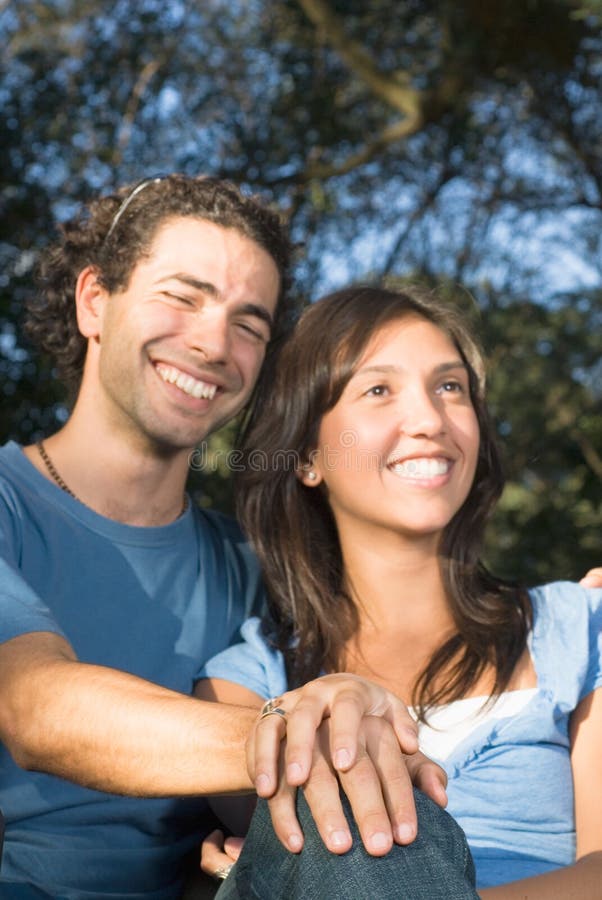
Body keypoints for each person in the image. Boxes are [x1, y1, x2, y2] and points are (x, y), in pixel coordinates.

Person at [0, 179, 446, 899]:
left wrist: (554, 613)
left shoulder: (252, 560)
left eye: (249, 324)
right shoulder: (8, 508)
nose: (213, 344)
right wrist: (282, 734)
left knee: (378, 827)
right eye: (182, 296)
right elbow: (35, 708)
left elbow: (398, 607)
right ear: (95, 303)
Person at [198, 285, 602, 898]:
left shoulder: (578, 626)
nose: (430, 420)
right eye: (379, 390)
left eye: (450, 387)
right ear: (309, 456)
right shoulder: (247, 678)